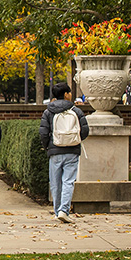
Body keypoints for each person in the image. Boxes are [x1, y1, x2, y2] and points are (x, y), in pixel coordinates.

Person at [38, 82, 90, 222]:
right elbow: (85, 130)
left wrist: (47, 146)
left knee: (55, 183)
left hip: (55, 150)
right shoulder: (76, 111)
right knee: (68, 181)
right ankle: (64, 210)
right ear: (66, 94)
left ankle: (57, 211)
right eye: (70, 92)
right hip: (72, 150)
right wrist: (77, 140)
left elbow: (43, 132)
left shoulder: (48, 112)